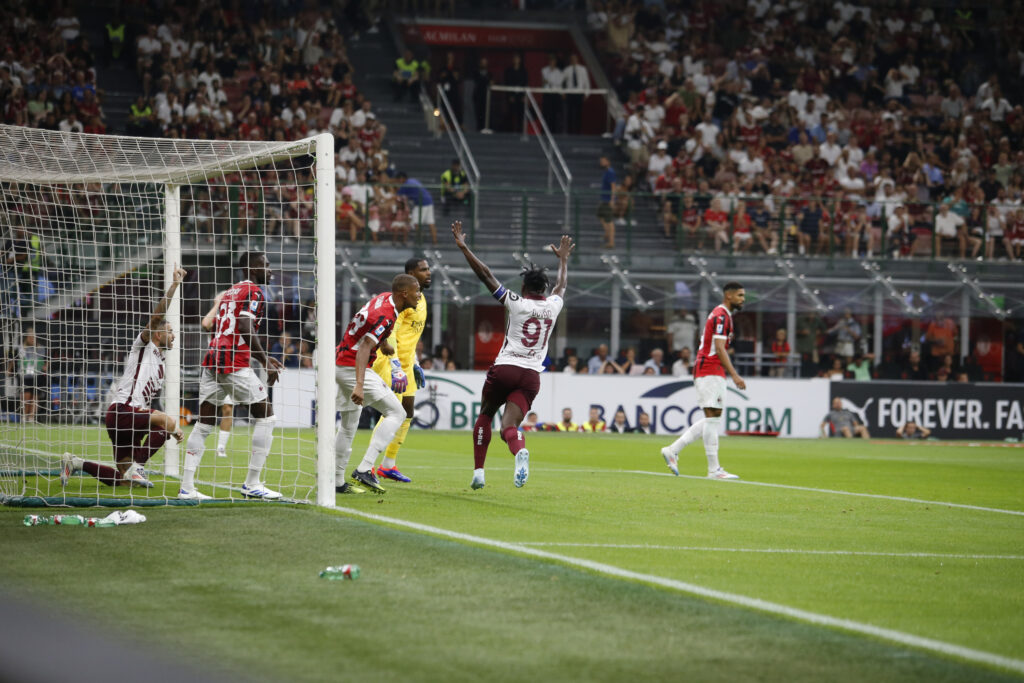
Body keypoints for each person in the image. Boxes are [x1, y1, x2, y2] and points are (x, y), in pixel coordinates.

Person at [453, 220, 573, 489]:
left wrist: (464, 247)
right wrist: (563, 260)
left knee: (486, 413)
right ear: (544, 289)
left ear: (524, 288)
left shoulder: (515, 303)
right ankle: (519, 450)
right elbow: (561, 287)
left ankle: (479, 473)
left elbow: (485, 274)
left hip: (506, 367)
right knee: (509, 426)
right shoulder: (553, 306)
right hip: (531, 375)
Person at [61, 266, 187, 489]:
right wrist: (175, 284)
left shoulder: (161, 363)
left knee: (124, 480)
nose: (174, 335)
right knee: (168, 423)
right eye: (170, 331)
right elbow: (157, 316)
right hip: (122, 411)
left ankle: (76, 463)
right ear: (158, 334)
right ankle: (139, 467)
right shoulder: (143, 346)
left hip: (129, 418)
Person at [182, 253, 284, 500]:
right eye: (266, 266)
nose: (270, 270)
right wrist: (263, 360)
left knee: (204, 424)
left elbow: (214, 325)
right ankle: (252, 483)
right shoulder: (254, 293)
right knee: (266, 418)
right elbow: (244, 326)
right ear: (251, 268)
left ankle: (186, 487)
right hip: (233, 362)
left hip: (212, 359)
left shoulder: (229, 292)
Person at [334, 274, 422, 494]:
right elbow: (364, 347)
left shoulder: (383, 298)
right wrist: (359, 385)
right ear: (404, 293)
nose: (419, 295)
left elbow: (367, 327)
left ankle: (335, 481)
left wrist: (382, 343)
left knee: (347, 427)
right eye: (416, 290)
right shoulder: (387, 315)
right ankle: (365, 468)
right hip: (352, 367)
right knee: (397, 413)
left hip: (340, 361)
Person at [660, 282, 747, 479]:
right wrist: (734, 374)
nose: (743, 299)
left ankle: (674, 450)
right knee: (713, 418)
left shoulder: (721, 315)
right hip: (710, 368)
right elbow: (719, 346)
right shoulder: (721, 316)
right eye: (740, 295)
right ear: (729, 296)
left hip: (709, 369)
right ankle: (713, 469)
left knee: (712, 419)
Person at [369, 258, 432, 483]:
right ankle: (369, 466)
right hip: (388, 361)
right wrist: (395, 365)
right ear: (411, 273)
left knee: (407, 412)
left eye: (428, 268)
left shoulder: (421, 299)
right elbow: (390, 333)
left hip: (407, 364)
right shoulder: (402, 300)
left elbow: (411, 336)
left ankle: (388, 464)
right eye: (423, 269)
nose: (428, 272)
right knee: (392, 413)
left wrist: (414, 362)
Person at [201, 290, 234, 458]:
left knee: (228, 409)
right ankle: (197, 446)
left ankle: (221, 447)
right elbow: (205, 324)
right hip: (213, 369)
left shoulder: (233, 319)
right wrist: (217, 304)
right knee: (208, 410)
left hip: (230, 369)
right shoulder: (215, 318)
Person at [396, 172, 437, 244]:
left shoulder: (405, 185)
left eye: (398, 180)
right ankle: (435, 242)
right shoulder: (412, 180)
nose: (398, 182)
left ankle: (419, 241)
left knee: (416, 223)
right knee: (431, 223)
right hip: (429, 201)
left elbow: (397, 196)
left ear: (402, 178)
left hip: (422, 203)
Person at [562, 53, 589, 134]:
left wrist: (586, 94)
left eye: (575, 59)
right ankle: (569, 132)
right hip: (570, 93)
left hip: (579, 93)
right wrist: (562, 92)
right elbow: (560, 82)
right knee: (569, 114)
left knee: (578, 114)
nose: (574, 60)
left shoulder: (583, 69)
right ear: (570, 60)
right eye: (572, 59)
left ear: (577, 60)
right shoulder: (567, 70)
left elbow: (586, 83)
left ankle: (577, 132)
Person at [597, 156, 617, 249]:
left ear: (608, 161)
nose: (601, 162)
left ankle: (611, 242)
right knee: (600, 216)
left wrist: (612, 200)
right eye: (601, 161)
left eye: (603, 161)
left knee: (609, 221)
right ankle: (607, 234)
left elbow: (613, 186)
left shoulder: (610, 172)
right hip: (604, 199)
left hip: (608, 200)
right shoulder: (606, 172)